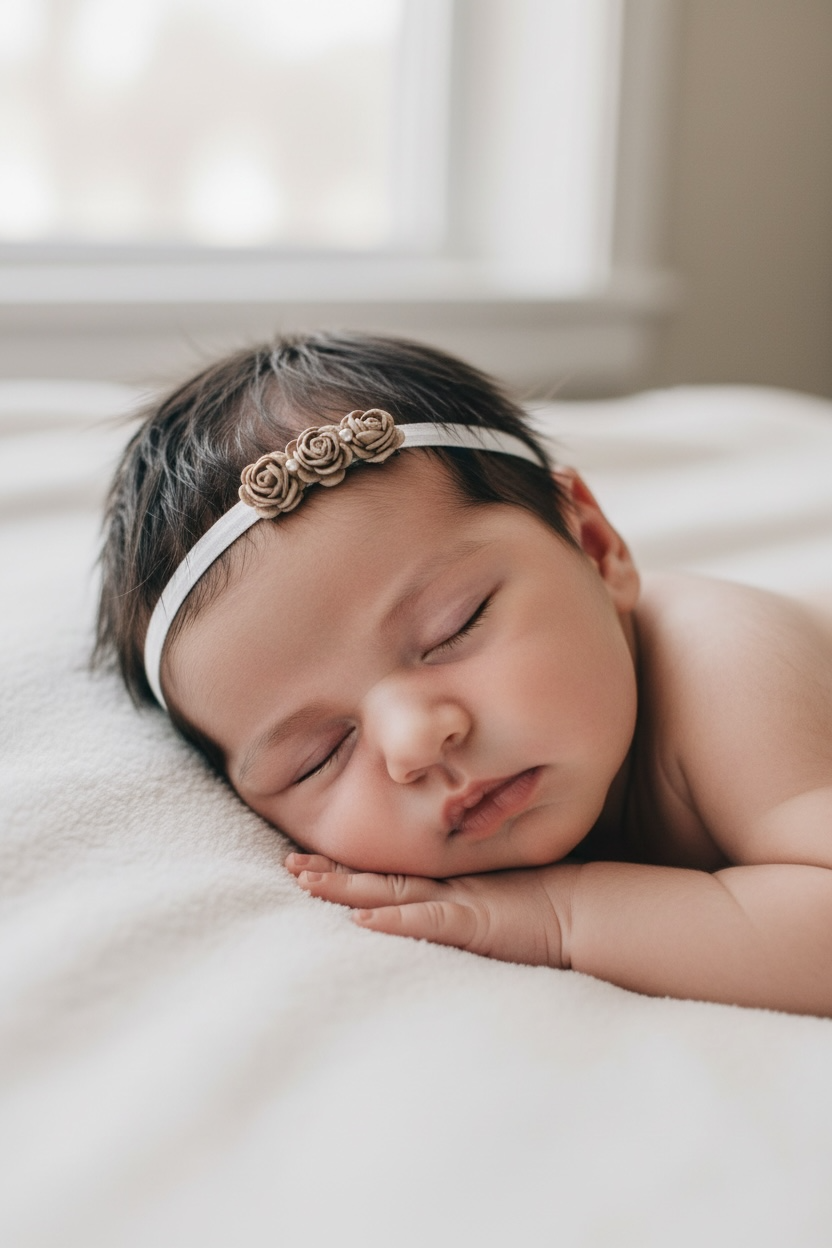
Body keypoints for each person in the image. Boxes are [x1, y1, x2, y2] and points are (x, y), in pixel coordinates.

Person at [96, 331, 832, 1016]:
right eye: (317, 756)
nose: (415, 742)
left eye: (458, 625)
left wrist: (562, 914)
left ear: (596, 547)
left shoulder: (728, 658)